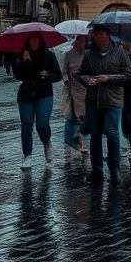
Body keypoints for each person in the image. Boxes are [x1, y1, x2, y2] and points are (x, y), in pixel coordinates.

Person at [77, 24, 131, 183]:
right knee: (95, 135)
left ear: (108, 36)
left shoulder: (119, 53)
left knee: (111, 132)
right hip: (93, 100)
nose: (99, 37)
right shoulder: (89, 55)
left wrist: (109, 78)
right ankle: (97, 169)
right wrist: (87, 79)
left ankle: (115, 168)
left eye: (102, 34)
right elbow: (80, 74)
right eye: (96, 34)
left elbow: (128, 75)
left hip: (113, 99)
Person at [13, 32, 61, 169]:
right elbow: (18, 75)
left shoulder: (49, 55)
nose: (33, 42)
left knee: (42, 124)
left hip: (44, 93)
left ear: (40, 40)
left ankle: (47, 142)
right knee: (26, 125)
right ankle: (27, 155)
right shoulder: (21, 54)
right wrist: (24, 62)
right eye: (30, 39)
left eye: (36, 39)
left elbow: (58, 75)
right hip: (26, 94)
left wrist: (47, 75)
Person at [60, 34, 89, 166]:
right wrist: (67, 81)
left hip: (84, 90)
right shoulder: (68, 55)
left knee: (82, 117)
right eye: (81, 42)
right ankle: (67, 144)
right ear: (76, 42)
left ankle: (81, 142)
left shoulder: (88, 55)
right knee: (70, 117)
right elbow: (64, 71)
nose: (83, 45)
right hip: (71, 90)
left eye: (85, 42)